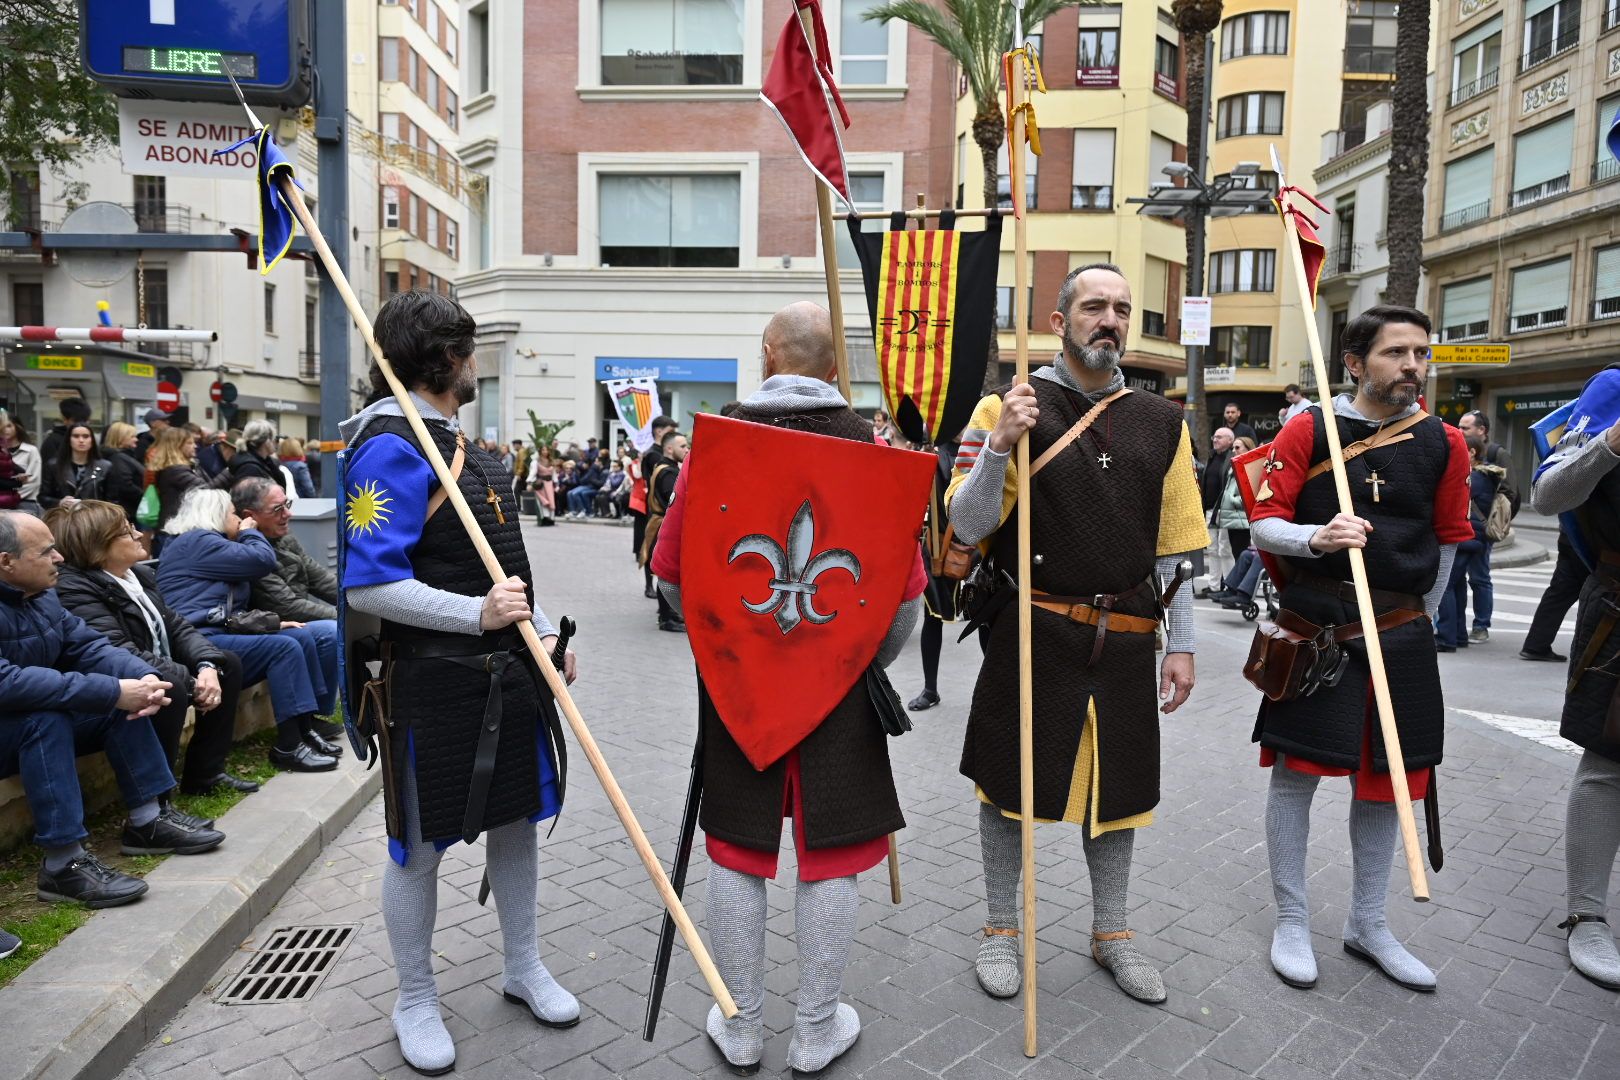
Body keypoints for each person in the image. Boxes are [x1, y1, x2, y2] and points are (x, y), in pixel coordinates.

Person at [650, 300, 924, 1074]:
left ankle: (740, 1027)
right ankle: (813, 1029)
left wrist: (731, 648)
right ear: (837, 370)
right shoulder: (876, 453)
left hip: (741, 690)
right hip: (843, 689)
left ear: (769, 356)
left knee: (738, 849)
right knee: (832, 854)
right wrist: (853, 660)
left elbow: (673, 582)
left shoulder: (717, 447)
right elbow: (904, 604)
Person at [947, 263, 1208, 1004]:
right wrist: (999, 446)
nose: (1111, 320)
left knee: (1118, 792)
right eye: (1094, 306)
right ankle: (1001, 928)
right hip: (1032, 630)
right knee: (1007, 788)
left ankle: (1112, 933)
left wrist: (1181, 643)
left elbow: (1178, 549)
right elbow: (965, 526)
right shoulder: (1008, 404)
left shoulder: (1164, 423)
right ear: (1059, 321)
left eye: (1122, 309)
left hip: (1126, 635)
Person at [337, 290, 578, 1073]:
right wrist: (479, 614)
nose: (475, 364)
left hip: (506, 682)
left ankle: (522, 965)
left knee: (515, 823)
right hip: (429, 690)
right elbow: (369, 587)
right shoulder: (388, 449)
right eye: (468, 351)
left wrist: (537, 633)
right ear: (446, 360)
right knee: (419, 850)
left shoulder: (467, 447)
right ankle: (414, 997)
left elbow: (502, 574)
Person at [1244, 305, 1472, 993]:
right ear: (1354, 362)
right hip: (1320, 630)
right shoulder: (1308, 427)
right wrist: (1315, 537)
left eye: (1421, 353)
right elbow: (1261, 526)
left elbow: (1450, 544)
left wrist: (1413, 624)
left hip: (1400, 636)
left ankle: (1368, 924)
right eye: (1396, 353)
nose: (1412, 366)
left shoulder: (1446, 443)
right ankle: (1292, 919)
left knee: (1389, 784)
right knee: (1298, 773)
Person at [0, 510, 224, 908]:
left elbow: (90, 647)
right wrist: (111, 690)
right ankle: (62, 865)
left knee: (119, 706)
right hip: (15, 724)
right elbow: (8, 683)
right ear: (6, 562)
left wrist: (142, 680)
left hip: (20, 719)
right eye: (46, 551)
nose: (60, 558)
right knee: (47, 719)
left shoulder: (43, 595)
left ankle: (147, 822)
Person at [48, 500, 255, 797]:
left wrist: (207, 665)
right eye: (125, 531)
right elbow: (116, 649)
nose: (137, 534)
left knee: (227, 664)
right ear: (97, 546)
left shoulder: (138, 576)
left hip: (151, 664)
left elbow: (177, 625)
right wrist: (190, 680)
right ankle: (158, 802)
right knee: (167, 686)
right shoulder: (75, 588)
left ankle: (205, 776)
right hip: (110, 682)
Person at [1524, 366, 1620, 989]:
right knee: (1609, 764)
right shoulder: (1613, 388)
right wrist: (1610, 445)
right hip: (1619, 606)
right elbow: (1549, 494)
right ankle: (1587, 913)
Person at [155, 488, 339, 772]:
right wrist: (251, 532)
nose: (238, 519)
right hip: (197, 640)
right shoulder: (198, 541)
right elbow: (261, 560)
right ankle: (289, 746)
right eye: (232, 514)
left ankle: (304, 730)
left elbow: (227, 611)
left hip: (215, 632)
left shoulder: (208, 543)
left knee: (298, 636)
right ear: (215, 515)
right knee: (284, 648)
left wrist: (272, 624)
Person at [1436, 436, 1502, 652]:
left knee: (1445, 586)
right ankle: (1459, 635)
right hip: (1474, 538)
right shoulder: (1484, 475)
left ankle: (1447, 638)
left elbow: (1452, 497)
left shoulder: (1476, 477)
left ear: (1472, 452)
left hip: (1468, 537)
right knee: (1457, 585)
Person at [1458, 410, 1513, 643]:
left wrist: (1495, 525)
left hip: (1481, 529)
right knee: (1457, 579)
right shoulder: (1459, 451)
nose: (1460, 431)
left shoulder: (1497, 454)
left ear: (1482, 431)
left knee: (1479, 578)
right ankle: (1457, 628)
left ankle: (1481, 626)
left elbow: (1511, 493)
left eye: (1465, 428)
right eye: (1459, 427)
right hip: (1462, 529)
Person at [148, 426, 230, 540]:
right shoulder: (175, 470)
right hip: (174, 531)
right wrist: (229, 471)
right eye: (190, 443)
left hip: (178, 528)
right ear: (177, 446)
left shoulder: (187, 467)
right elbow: (205, 491)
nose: (195, 446)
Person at [643, 428, 687, 631]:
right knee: (666, 569)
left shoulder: (665, 467)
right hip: (662, 522)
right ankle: (666, 618)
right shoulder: (668, 471)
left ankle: (669, 615)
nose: (687, 450)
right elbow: (674, 498)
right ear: (669, 448)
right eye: (683, 446)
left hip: (658, 520)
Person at [1521, 528, 1581, 662]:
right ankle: (1536, 645)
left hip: (1570, 537)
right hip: (1590, 543)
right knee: (1598, 593)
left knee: (1558, 594)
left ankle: (1536, 645)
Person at [634, 417, 677, 598]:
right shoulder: (654, 455)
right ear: (659, 431)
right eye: (670, 430)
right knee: (652, 547)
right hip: (656, 507)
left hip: (657, 506)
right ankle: (649, 586)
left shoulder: (655, 452)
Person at [39, 422, 111, 511]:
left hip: (94, 517)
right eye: (76, 436)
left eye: (86, 436)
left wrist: (92, 505)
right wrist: (59, 502)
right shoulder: (53, 466)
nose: (81, 440)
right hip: (62, 517)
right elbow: (42, 497)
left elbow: (111, 500)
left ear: (92, 440)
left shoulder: (105, 467)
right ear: (69, 440)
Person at [100, 421, 147, 525]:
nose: (136, 439)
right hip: (129, 511)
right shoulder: (118, 458)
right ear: (121, 438)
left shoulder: (124, 456)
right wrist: (145, 496)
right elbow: (125, 485)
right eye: (132, 436)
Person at [1213, 438, 1253, 556]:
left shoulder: (1250, 466)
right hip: (1232, 519)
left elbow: (1252, 495)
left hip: (1242, 520)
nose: (1234, 450)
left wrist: (1232, 499)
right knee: (1235, 554)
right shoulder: (1234, 466)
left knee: (1241, 554)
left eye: (1237, 447)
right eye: (1233, 448)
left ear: (1248, 449)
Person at [0, 414, 42, 516]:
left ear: (17, 427)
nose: (5, 429)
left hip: (24, 501)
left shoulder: (31, 451)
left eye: (9, 426)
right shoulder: (2, 452)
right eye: (3, 426)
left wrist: (14, 497)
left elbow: (33, 481)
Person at [228, 421, 286, 487]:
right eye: (275, 438)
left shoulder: (266, 462)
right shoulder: (250, 468)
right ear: (267, 441)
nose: (276, 442)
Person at [41, 397, 93, 464]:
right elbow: (48, 471)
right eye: (76, 421)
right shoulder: (53, 442)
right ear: (65, 420)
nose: (81, 440)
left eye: (84, 421)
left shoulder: (91, 440)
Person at [1201, 426, 1235, 516]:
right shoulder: (1211, 457)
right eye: (1214, 437)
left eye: (1219, 437)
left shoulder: (1234, 459)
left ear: (1230, 440)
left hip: (1225, 511)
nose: (1215, 440)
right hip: (1208, 510)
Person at [564, 452, 605, 519]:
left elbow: (585, 479)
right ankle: (573, 511)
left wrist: (584, 479)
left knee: (575, 493)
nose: (595, 463)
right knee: (569, 493)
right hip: (587, 485)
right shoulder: (588, 468)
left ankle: (583, 510)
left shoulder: (593, 468)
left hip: (591, 486)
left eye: (596, 461)